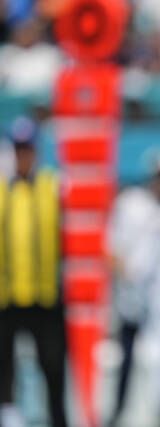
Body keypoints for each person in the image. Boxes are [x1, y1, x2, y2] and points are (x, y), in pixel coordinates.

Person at [107, 160, 160, 427]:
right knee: (126, 356)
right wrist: (124, 277)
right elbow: (112, 246)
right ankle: (118, 408)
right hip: (132, 297)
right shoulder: (131, 204)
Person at [0, 117, 68, 427]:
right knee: (4, 370)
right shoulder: (4, 190)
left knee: (53, 369)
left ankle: (58, 420)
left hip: (45, 295)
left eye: (27, 149)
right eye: (18, 150)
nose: (23, 156)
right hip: (8, 296)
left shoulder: (51, 186)